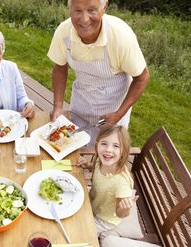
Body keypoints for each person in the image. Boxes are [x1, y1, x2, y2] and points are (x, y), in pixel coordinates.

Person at [48, 0, 149, 144]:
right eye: (78, 11)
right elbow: (59, 68)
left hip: (113, 111)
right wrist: (58, 107)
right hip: (81, 105)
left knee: (106, 158)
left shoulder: (120, 36)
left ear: (104, 8)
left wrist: (118, 115)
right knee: (75, 152)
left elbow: (142, 77)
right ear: (69, 10)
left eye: (92, 10)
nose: (84, 19)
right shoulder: (63, 32)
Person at [77, 125, 138, 234]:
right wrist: (87, 165)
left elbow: (120, 214)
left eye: (116, 146)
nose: (108, 150)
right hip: (91, 203)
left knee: (80, 232)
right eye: (104, 144)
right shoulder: (100, 161)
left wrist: (125, 209)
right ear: (97, 145)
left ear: (123, 151)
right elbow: (94, 166)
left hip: (104, 220)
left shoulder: (121, 182)